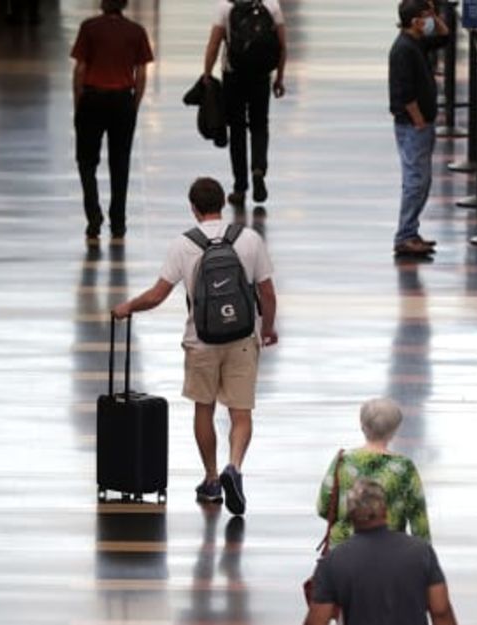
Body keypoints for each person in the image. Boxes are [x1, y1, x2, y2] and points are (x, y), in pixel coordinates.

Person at [112, 177, 277, 514]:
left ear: (194, 208)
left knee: (204, 408)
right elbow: (268, 294)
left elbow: (158, 295)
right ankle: (235, 466)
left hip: (201, 340)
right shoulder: (249, 239)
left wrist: (127, 307)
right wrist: (268, 329)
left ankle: (212, 478)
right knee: (240, 413)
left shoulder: (184, 245)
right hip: (243, 337)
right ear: (223, 204)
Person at [304, 478, 457, 625]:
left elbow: (317, 620)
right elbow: (440, 611)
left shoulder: (333, 561)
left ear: (351, 515)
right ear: (385, 510)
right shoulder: (421, 552)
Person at [71, 0, 154, 245]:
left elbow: (80, 69)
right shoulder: (136, 31)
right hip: (122, 100)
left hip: (92, 98)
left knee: (86, 161)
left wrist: (79, 101)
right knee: (120, 163)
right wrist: (134, 104)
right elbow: (141, 73)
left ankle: (93, 217)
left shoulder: (89, 28)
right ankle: (118, 221)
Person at [202, 0, 288, 206]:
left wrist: (207, 74)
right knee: (259, 125)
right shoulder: (271, 5)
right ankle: (258, 170)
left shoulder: (226, 6)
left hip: (233, 75)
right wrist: (279, 78)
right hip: (260, 76)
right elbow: (282, 45)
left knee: (237, 130)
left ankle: (240, 187)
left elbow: (214, 44)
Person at [316, 397, 430, 548]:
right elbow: (419, 521)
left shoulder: (342, 460)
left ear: (362, 426)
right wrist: (423, 557)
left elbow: (324, 507)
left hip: (343, 550)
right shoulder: (404, 467)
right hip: (389, 552)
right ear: (394, 431)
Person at [389, 0, 448, 257]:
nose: (432, 20)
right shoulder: (403, 49)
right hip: (413, 126)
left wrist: (433, 13)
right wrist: (419, 121)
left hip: (419, 124)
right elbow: (404, 92)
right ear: (414, 22)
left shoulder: (416, 43)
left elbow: (444, 36)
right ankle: (405, 235)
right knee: (416, 182)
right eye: (426, 17)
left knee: (419, 180)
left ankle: (410, 232)